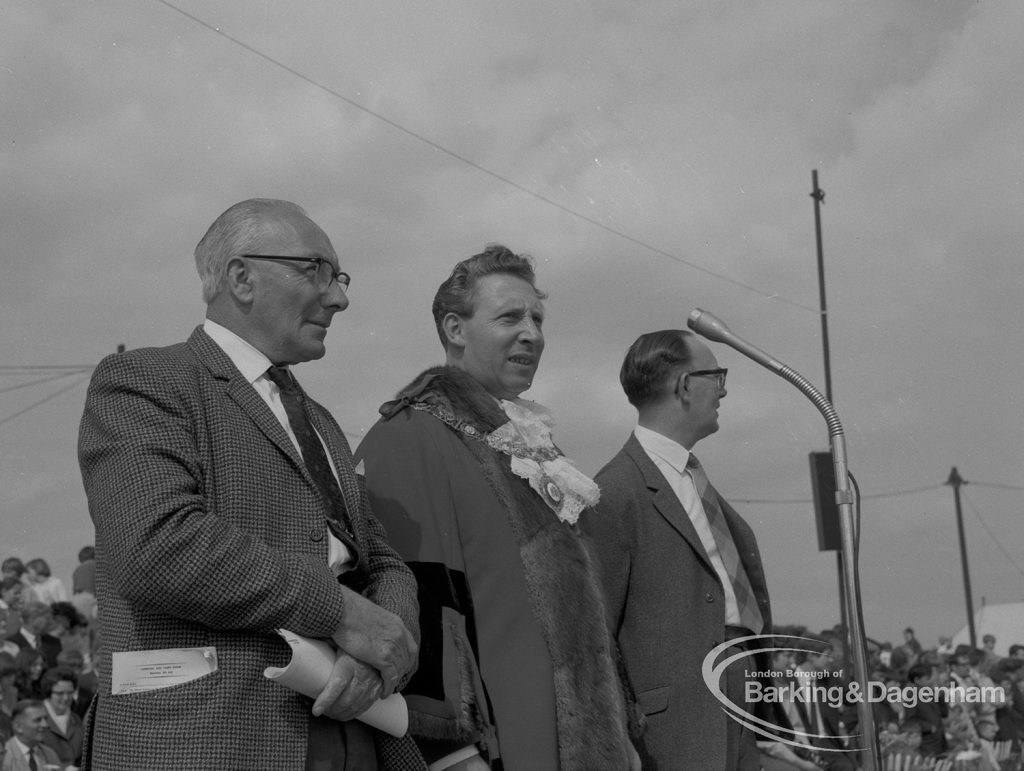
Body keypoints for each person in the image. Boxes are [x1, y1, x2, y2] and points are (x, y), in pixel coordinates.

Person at [77, 198, 420, 770]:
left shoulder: (321, 421)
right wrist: (339, 612)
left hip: (351, 729)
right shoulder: (144, 380)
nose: (340, 297)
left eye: (341, 278)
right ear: (241, 277)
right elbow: (156, 545)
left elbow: (383, 563)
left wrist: (380, 650)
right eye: (317, 270)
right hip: (209, 739)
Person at [358, 245, 637, 770]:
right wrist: (453, 757)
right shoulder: (410, 436)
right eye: (510, 316)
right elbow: (413, 610)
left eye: (537, 318)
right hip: (498, 751)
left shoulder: (533, 450)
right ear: (455, 329)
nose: (531, 333)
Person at [581, 329, 771, 770]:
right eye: (715, 376)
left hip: (738, 703)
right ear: (684, 385)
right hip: (674, 732)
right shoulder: (614, 492)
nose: (723, 389)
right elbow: (594, 633)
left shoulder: (692, 478)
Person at [39, 668, 84, 769]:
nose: (66, 698)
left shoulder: (76, 719)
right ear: (48, 692)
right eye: (60, 693)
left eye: (70, 693)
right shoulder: (36, 718)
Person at [2, 700, 63, 771]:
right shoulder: (4, 756)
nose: (45, 724)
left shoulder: (50, 754)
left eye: (45, 719)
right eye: (38, 720)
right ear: (18, 727)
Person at [4, 603, 60, 670]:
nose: (50, 622)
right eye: (47, 619)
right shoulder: (10, 644)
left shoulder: (54, 642)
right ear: (32, 619)